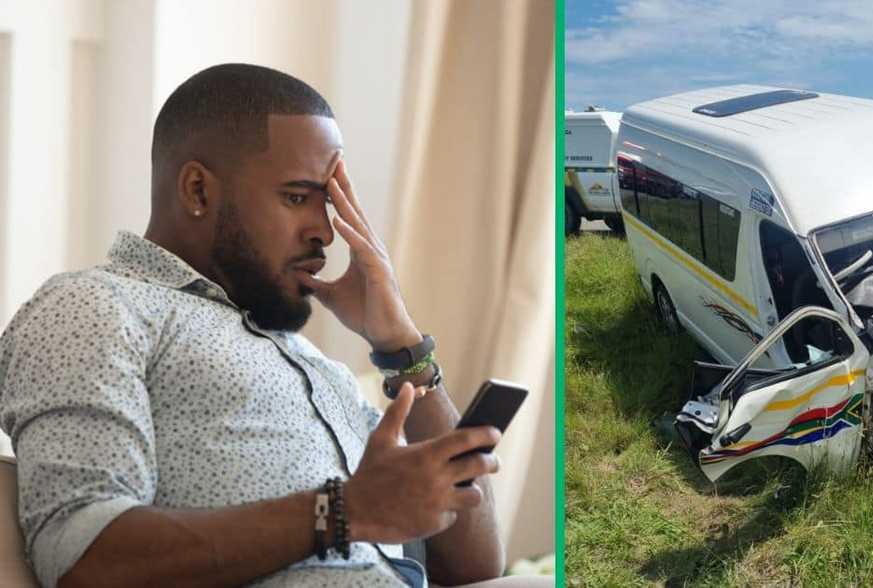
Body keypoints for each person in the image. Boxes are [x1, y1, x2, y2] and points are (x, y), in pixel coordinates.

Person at [0, 64, 550, 587]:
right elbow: (84, 559)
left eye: (328, 204)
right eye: (297, 197)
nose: (327, 234)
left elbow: (476, 565)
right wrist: (345, 510)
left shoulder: (311, 365)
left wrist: (402, 347)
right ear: (198, 191)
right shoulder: (93, 306)